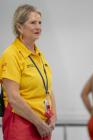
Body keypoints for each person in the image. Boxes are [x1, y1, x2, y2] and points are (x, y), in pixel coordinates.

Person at [0, 4, 56, 140]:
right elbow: (13, 98)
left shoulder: (39, 55)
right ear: (19, 27)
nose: (38, 27)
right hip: (21, 124)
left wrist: (54, 115)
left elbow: (48, 90)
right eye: (33, 22)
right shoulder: (11, 54)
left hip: (43, 123)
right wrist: (38, 123)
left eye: (40, 22)